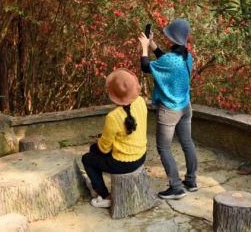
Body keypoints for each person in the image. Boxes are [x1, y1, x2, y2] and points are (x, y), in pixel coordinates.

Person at [139, 18, 198, 200]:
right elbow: (165, 60)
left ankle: (176, 187)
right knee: (187, 142)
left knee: (163, 147)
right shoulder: (187, 56)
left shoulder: (171, 60)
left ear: (173, 38)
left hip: (169, 110)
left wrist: (144, 48)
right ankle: (191, 181)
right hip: (185, 107)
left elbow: (146, 67)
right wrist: (153, 45)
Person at [81, 69, 148, 208]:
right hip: (141, 155)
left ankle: (105, 195)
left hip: (123, 163)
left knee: (87, 158)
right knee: (95, 153)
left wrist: (95, 145)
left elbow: (104, 148)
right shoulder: (141, 101)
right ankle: (99, 187)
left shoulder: (113, 116)